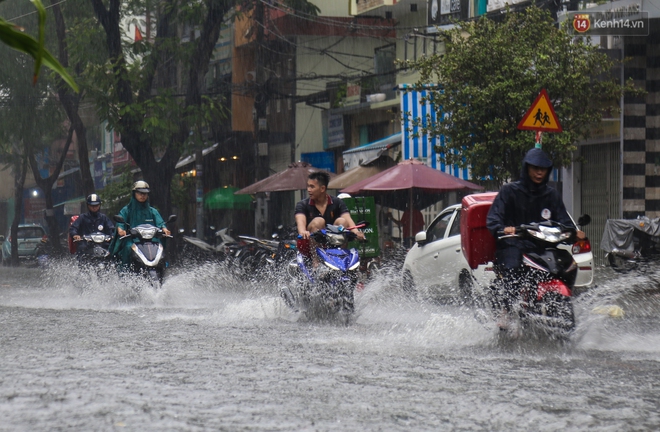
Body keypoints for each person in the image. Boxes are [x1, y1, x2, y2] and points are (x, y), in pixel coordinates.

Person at [486, 147, 584, 326]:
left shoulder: (551, 195)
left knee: (567, 264)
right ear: (526, 168)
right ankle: (506, 309)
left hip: (543, 248)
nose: (539, 172)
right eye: (535, 168)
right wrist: (504, 229)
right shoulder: (509, 191)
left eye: (543, 169)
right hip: (514, 245)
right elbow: (493, 219)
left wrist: (573, 233)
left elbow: (563, 221)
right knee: (513, 267)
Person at [295, 171, 365, 258]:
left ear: (322, 188)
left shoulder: (338, 202)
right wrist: (303, 232)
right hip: (308, 244)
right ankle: (316, 262)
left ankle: (340, 257)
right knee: (319, 221)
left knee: (342, 221)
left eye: (312, 187)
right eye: (308, 186)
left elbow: (348, 219)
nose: (308, 190)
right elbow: (300, 221)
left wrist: (356, 232)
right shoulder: (302, 204)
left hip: (332, 242)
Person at [110, 181, 171, 268]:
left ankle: (161, 268)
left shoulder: (152, 211)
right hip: (133, 240)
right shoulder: (127, 210)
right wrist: (121, 229)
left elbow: (160, 223)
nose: (142, 195)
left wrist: (164, 229)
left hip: (151, 240)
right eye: (140, 193)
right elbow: (120, 221)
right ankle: (125, 271)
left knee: (160, 247)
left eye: (145, 193)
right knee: (128, 247)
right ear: (134, 193)